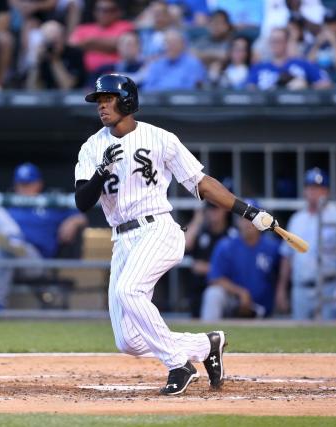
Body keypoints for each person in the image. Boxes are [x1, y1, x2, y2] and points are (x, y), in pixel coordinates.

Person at [74, 73, 279, 395]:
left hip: (158, 228)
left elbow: (201, 182)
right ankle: (206, 345)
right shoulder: (92, 147)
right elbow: (82, 202)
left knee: (130, 291)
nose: (102, 107)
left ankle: (178, 364)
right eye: (99, 101)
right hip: (122, 238)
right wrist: (101, 172)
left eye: (108, 99)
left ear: (127, 101)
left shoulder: (161, 138)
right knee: (128, 341)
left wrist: (248, 211)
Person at [0, 163, 87, 310]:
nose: (24, 188)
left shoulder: (50, 202)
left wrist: (73, 221)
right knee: (0, 235)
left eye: (28, 184)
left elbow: (82, 215)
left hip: (37, 261)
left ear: (39, 184)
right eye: (21, 184)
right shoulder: (10, 203)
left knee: (5, 248)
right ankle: (13, 240)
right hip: (12, 258)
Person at [276, 168, 336, 320]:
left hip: (329, 285)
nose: (314, 193)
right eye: (311, 188)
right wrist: (281, 289)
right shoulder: (297, 219)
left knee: (331, 337)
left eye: (319, 188)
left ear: (326, 191)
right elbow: (287, 257)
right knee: (299, 337)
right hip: (300, 287)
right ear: (305, 191)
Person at [202, 202, 281, 321]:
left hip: (263, 306)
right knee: (213, 294)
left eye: (252, 218)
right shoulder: (226, 245)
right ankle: (209, 336)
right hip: (234, 302)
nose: (248, 223)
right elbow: (214, 278)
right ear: (238, 221)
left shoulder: (272, 246)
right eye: (244, 218)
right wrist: (240, 293)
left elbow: (282, 273)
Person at [184, 202, 236, 318]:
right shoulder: (201, 231)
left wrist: (209, 268)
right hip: (198, 291)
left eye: (216, 208)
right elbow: (185, 245)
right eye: (210, 208)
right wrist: (197, 219)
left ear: (225, 210)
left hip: (224, 292)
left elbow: (235, 268)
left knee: (213, 294)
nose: (213, 212)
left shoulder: (232, 235)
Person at [246, 27, 331, 90]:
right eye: (272, 41)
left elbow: (326, 83)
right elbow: (249, 89)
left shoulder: (302, 64)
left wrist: (307, 86)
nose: (274, 45)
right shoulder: (259, 67)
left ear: (286, 42)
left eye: (278, 41)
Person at [68, 0, 134, 75]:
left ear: (117, 12)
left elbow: (121, 44)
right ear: (94, 12)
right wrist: (104, 45)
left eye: (110, 10)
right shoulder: (83, 28)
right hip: (89, 74)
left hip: (116, 73)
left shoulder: (125, 26)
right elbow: (72, 45)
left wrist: (90, 42)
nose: (105, 13)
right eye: (100, 10)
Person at [26, 20, 86, 90]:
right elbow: (31, 89)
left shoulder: (75, 53)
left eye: (55, 40)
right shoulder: (44, 56)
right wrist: (36, 62)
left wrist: (55, 60)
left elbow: (68, 87)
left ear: (63, 38)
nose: (52, 46)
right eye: (49, 41)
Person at [142, 28, 207, 92]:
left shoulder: (193, 64)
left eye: (173, 43)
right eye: (167, 43)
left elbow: (192, 89)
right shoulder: (156, 64)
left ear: (183, 45)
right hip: (157, 101)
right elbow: (147, 88)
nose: (169, 46)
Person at [193, 9, 234, 75]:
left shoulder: (232, 41)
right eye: (213, 22)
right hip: (200, 75)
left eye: (219, 23)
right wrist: (214, 56)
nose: (216, 26)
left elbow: (226, 56)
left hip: (225, 77)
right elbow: (191, 55)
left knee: (216, 66)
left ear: (227, 25)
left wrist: (204, 56)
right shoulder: (203, 40)